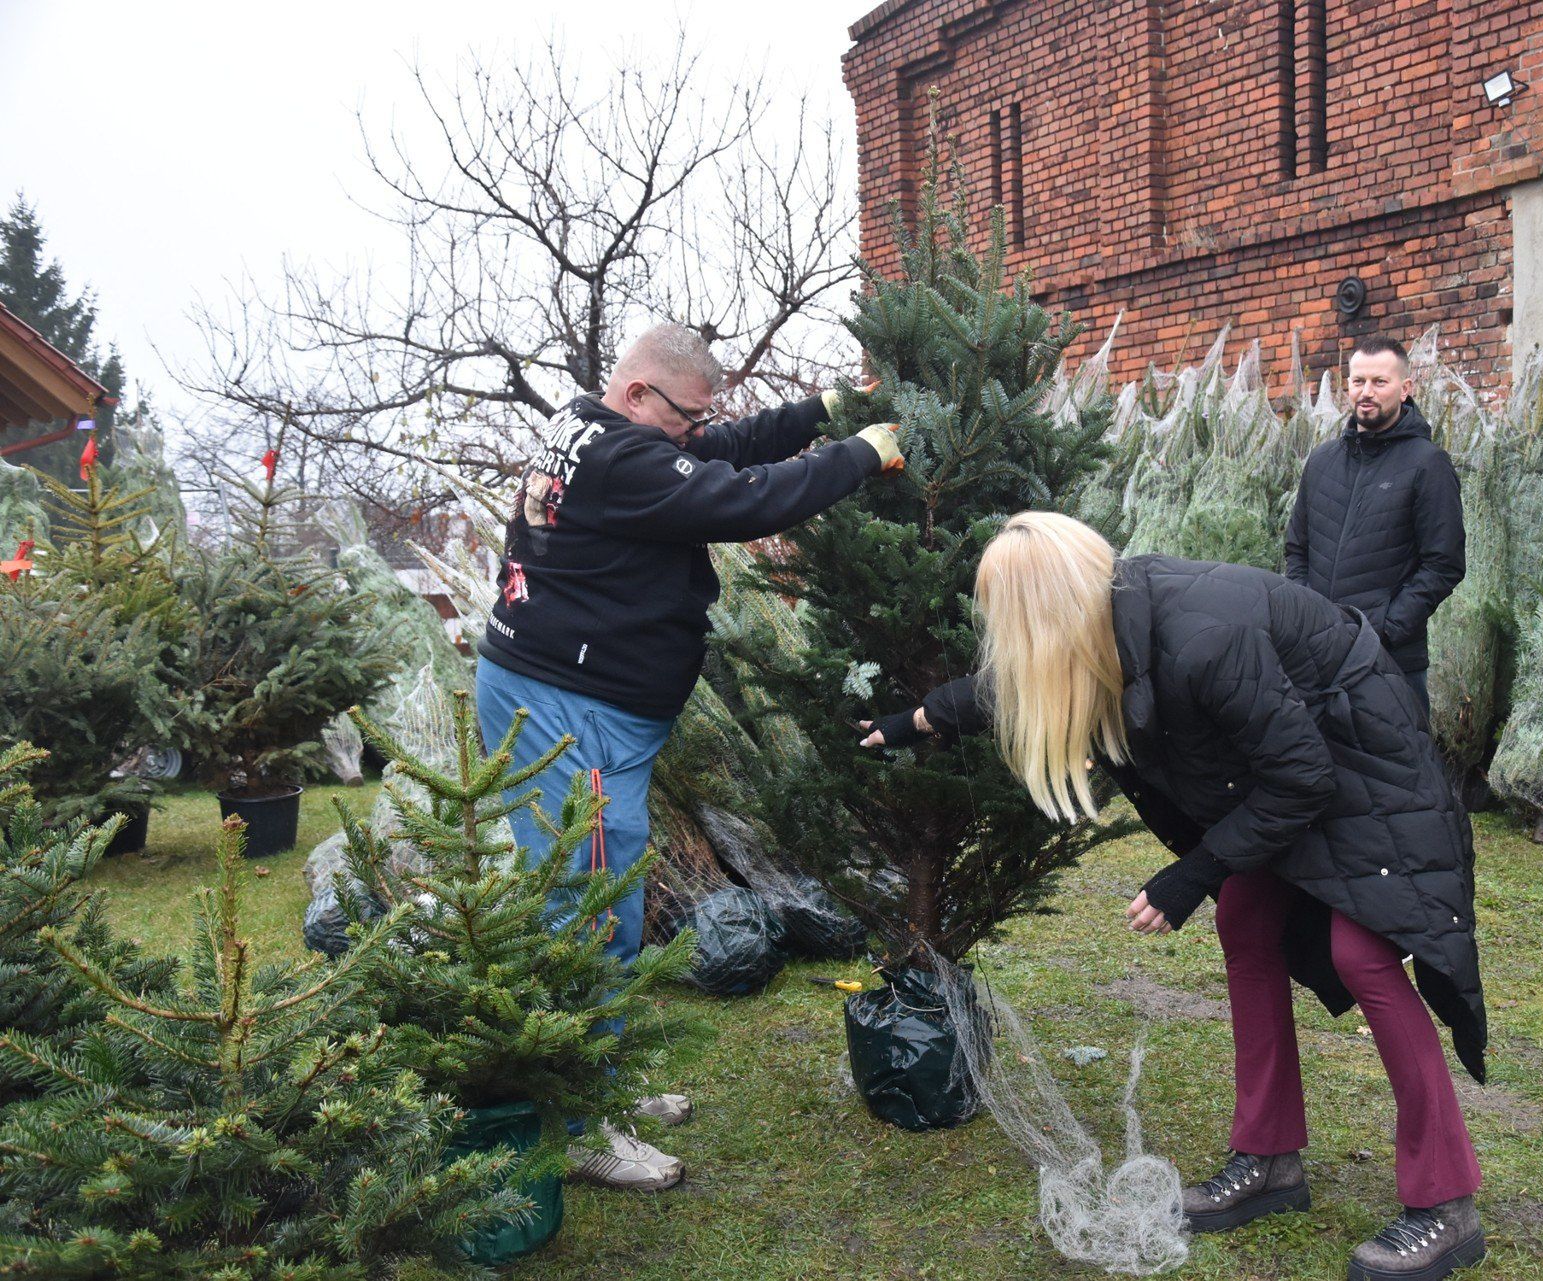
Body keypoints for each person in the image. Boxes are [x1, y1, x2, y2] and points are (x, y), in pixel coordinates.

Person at [861, 512, 1487, 1281]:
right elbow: (1015, 680)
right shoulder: (1101, 622)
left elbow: (1304, 778)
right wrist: (914, 721)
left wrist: (1191, 875)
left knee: (1362, 951)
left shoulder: (1202, 638)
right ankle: (1268, 1160)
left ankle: (1446, 1205)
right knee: (1247, 919)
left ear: (1047, 608)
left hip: (1363, 757)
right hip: (1289, 759)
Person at [475, 323, 904, 1190]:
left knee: (598, 902)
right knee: (591, 909)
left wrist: (822, 409)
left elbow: (722, 449)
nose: (697, 432)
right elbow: (742, 499)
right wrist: (861, 452)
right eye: (686, 416)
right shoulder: (622, 459)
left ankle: (599, 1081)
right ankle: (583, 1122)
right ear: (639, 393)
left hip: (575, 698)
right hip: (571, 713)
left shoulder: (604, 429)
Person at [1285, 336, 1464, 710]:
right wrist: (1306, 615)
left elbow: (1443, 564)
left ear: (1405, 388)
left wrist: (1386, 628)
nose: (1366, 392)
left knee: (1400, 749)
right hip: (1318, 657)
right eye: (1358, 381)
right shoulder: (1322, 462)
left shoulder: (1428, 463)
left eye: (1379, 382)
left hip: (1390, 662)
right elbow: (1297, 550)